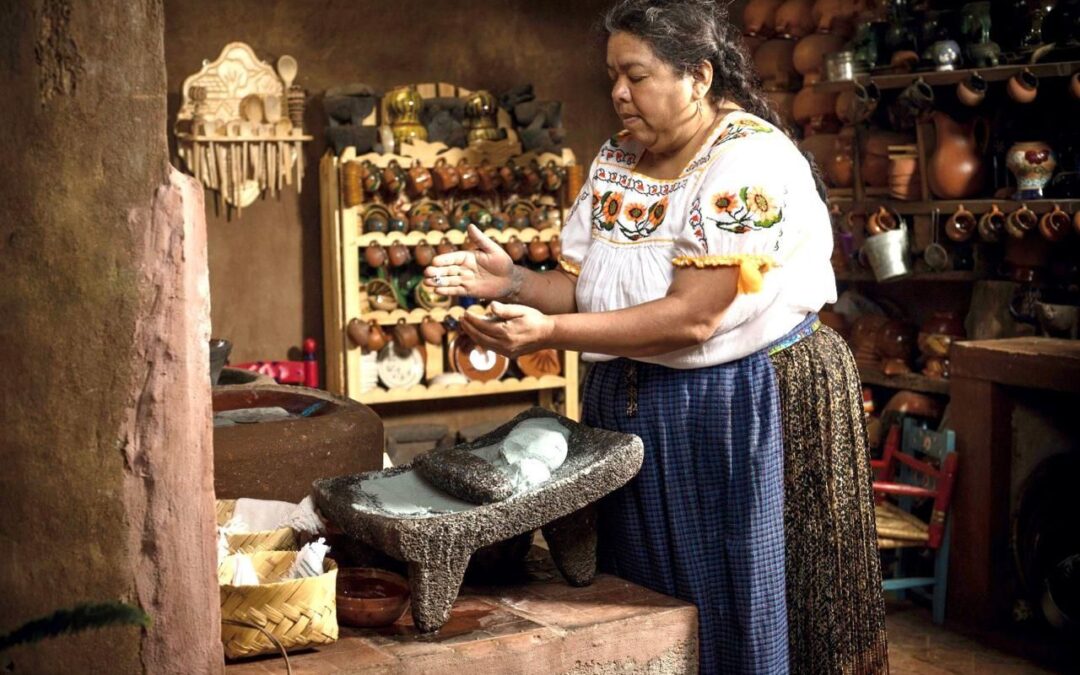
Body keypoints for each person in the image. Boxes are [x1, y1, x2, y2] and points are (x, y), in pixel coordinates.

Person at [423, 1, 887, 672]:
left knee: (727, 601)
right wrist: (517, 283)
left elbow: (694, 315)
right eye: (613, 75)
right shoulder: (619, 158)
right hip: (634, 402)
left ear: (697, 77)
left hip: (731, 405)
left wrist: (551, 332)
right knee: (642, 597)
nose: (618, 92)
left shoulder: (747, 162)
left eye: (635, 75)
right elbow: (592, 288)